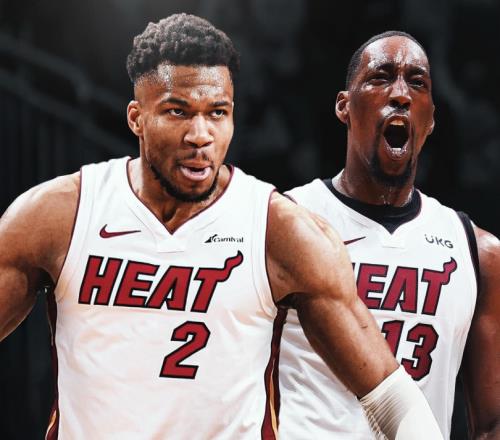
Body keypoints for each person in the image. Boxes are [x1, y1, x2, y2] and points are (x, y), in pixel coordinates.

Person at [0, 17, 441, 439]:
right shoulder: (61, 215)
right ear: (136, 118)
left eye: (217, 113)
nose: (200, 135)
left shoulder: (278, 230)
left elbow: (391, 398)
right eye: (177, 111)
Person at [278, 31, 500, 439]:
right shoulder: (285, 223)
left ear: (431, 118)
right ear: (344, 106)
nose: (401, 94)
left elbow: (491, 424)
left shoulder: (478, 252)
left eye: (417, 83)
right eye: (381, 78)